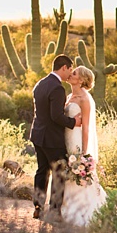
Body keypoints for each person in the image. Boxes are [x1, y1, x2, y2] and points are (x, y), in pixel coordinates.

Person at [30, 54, 82, 221]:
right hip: (52, 139)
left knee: (41, 171)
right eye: (70, 69)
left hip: (38, 135)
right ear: (64, 67)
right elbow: (56, 116)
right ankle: (54, 211)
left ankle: (38, 208)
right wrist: (74, 122)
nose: (70, 73)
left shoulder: (40, 84)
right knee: (59, 173)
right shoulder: (57, 88)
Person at [59, 65, 107, 226]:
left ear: (80, 80)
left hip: (76, 140)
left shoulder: (85, 99)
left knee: (77, 171)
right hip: (65, 138)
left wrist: (84, 154)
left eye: (74, 73)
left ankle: (81, 209)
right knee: (66, 172)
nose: (70, 74)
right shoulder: (69, 96)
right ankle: (65, 206)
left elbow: (86, 127)